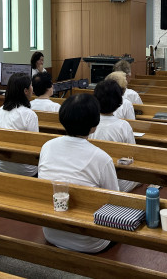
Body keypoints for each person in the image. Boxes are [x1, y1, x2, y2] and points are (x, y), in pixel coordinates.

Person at [38, 94, 119, 253]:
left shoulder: (47, 146)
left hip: (51, 231)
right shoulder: (102, 158)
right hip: (91, 240)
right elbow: (115, 202)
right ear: (94, 125)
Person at [89, 79, 139, 192]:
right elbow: (132, 154)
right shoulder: (123, 126)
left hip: (92, 175)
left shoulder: (89, 123)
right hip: (117, 179)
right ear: (119, 101)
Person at [0, 73, 39, 176]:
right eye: (31, 85)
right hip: (26, 170)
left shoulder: (0, 111)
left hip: (3, 166)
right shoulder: (29, 115)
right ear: (26, 91)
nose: (32, 88)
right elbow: (35, 145)